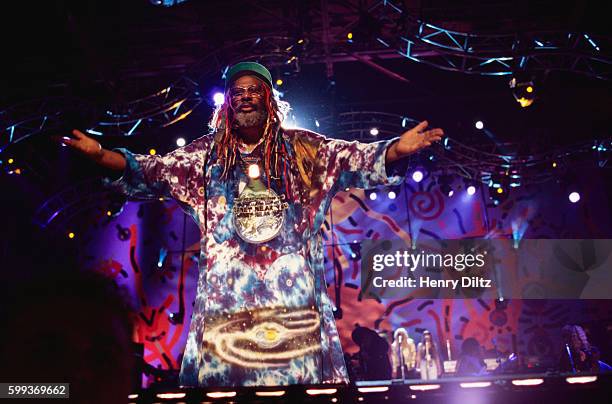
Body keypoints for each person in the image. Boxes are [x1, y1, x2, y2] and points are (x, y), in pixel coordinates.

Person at [61, 61, 444, 386]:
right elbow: (149, 170)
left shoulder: (305, 150)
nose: (243, 96)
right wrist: (101, 155)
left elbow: (356, 160)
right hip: (226, 319)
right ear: (227, 104)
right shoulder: (204, 159)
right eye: (236, 92)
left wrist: (395, 149)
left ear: (269, 100)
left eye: (253, 90)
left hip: (295, 318)